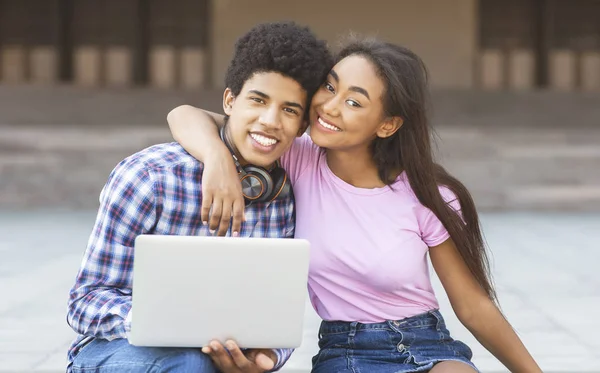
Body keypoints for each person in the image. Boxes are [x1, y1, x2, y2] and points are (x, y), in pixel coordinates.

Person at [166, 37, 543, 372]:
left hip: (427, 344)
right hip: (344, 351)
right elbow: (185, 115)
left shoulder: (429, 196)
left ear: (387, 125)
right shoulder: (298, 156)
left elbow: (474, 307)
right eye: (329, 87)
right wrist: (216, 159)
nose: (329, 107)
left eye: (353, 101)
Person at [66, 21, 332, 373]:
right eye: (258, 100)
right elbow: (85, 301)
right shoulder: (149, 177)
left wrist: (265, 358)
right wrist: (159, 325)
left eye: (289, 109)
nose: (270, 120)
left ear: (301, 127)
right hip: (118, 351)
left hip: (217, 362)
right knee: (191, 363)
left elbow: (275, 311)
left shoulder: (286, 194)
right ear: (229, 100)